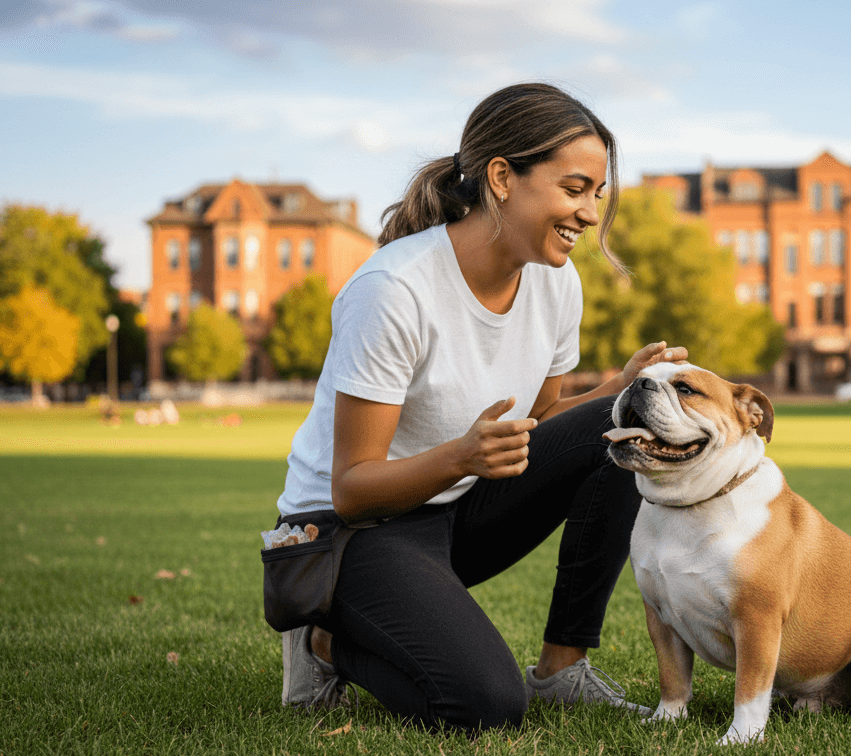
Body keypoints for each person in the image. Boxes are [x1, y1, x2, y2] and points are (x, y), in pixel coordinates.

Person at [272, 82, 687, 732]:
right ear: (501, 178)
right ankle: (323, 641)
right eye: (574, 189)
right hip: (347, 534)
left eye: (597, 195)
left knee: (617, 431)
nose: (588, 213)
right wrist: (461, 457)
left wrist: (617, 393)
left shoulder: (557, 283)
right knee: (485, 706)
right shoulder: (393, 290)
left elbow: (539, 425)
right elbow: (352, 491)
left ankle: (561, 668)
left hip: (453, 508)